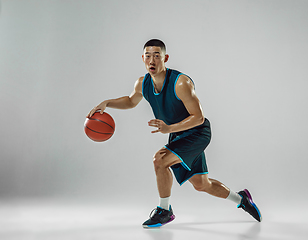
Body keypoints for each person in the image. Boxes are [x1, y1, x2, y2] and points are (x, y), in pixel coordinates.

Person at [87, 39, 262, 228]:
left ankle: (164, 211)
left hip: (197, 132)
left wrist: (169, 128)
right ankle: (242, 199)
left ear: (165, 58)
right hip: (179, 135)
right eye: (148, 56)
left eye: (157, 56)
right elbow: (130, 101)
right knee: (202, 184)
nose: (152, 60)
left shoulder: (181, 83)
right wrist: (107, 103)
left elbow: (199, 117)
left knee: (159, 160)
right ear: (143, 59)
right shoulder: (142, 83)